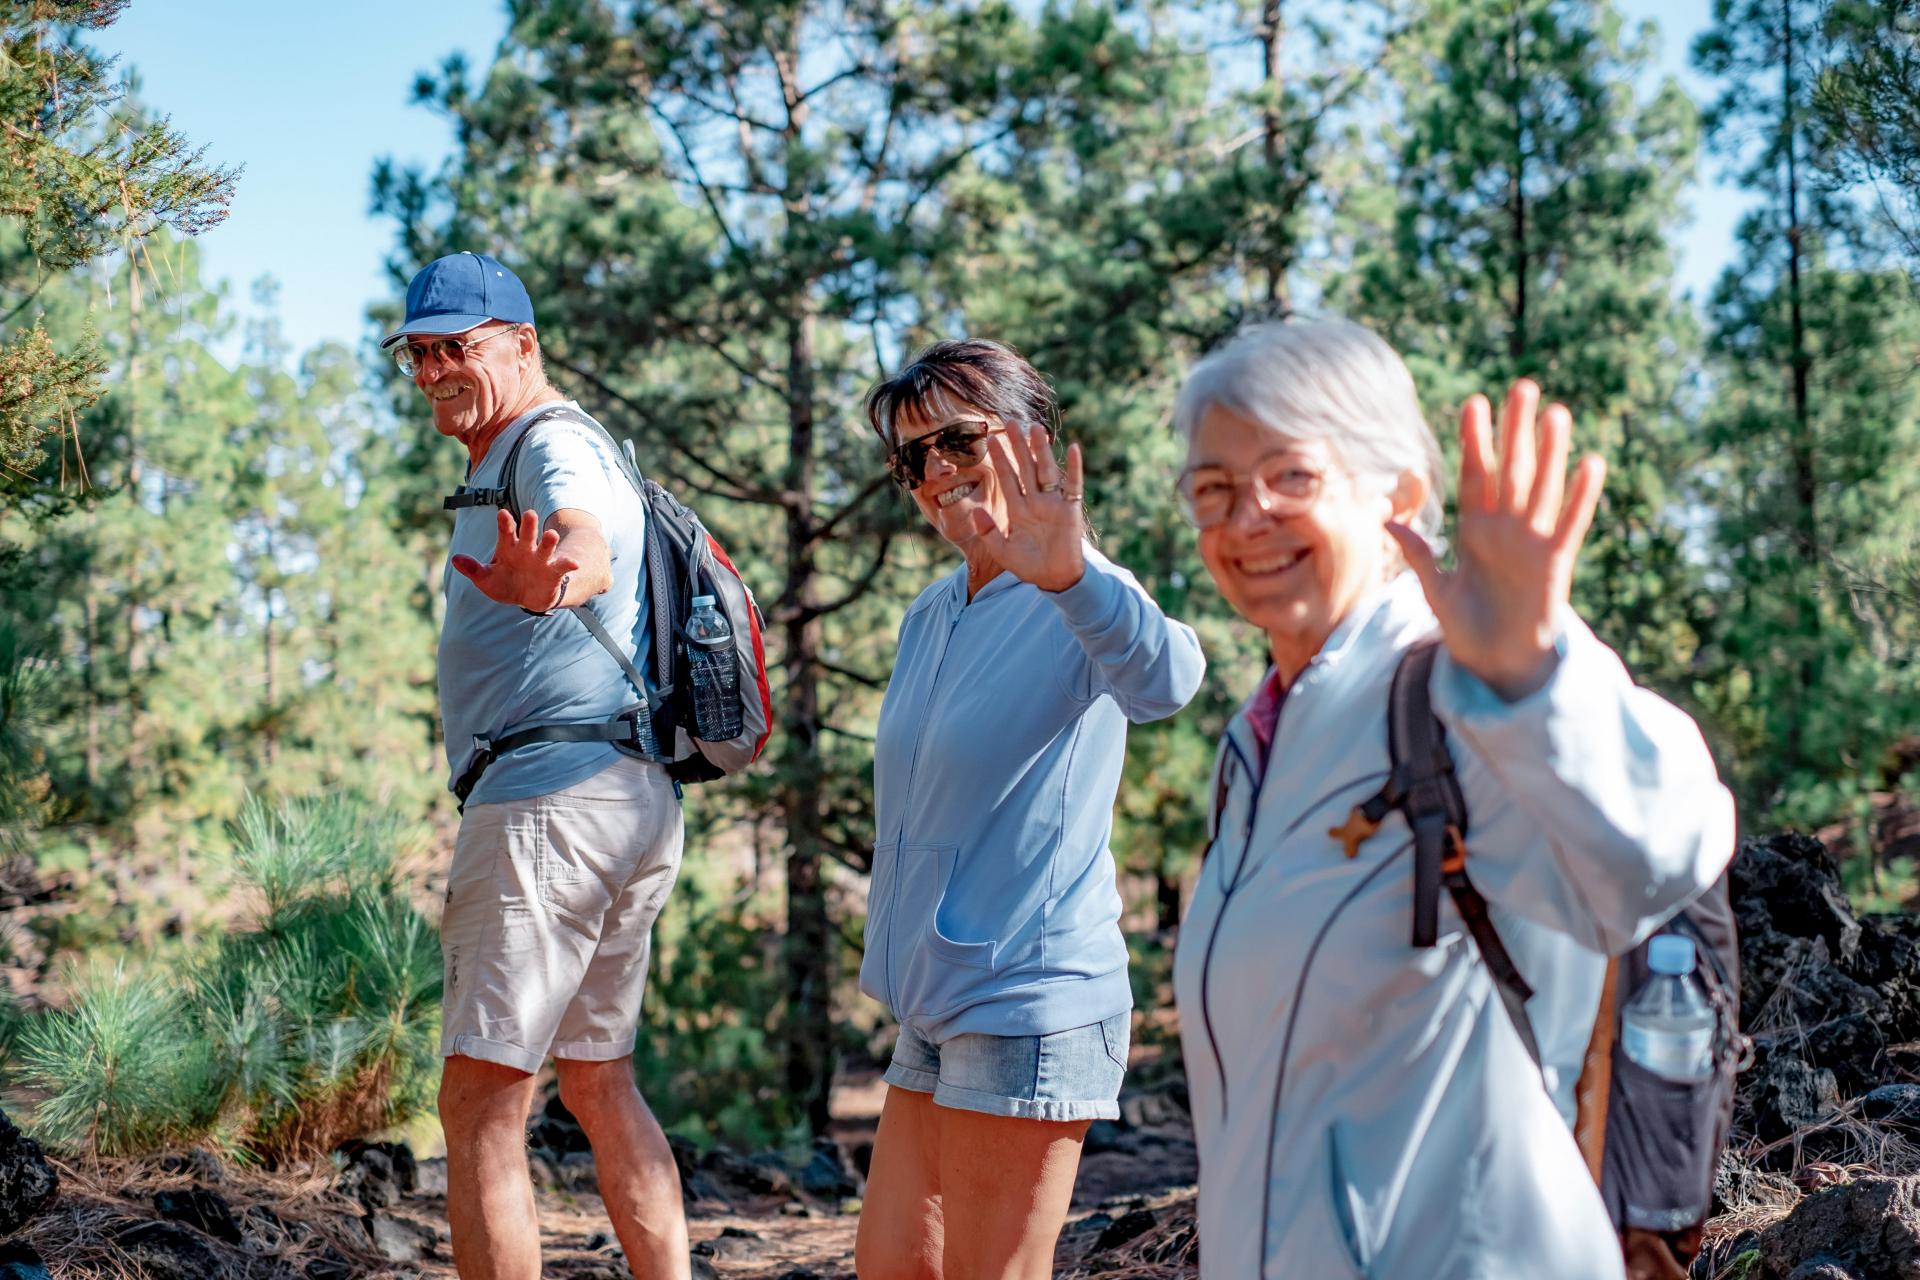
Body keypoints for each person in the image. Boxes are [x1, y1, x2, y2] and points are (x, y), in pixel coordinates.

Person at [1167, 318, 1736, 1279]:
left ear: (1401, 494)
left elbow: (1655, 854)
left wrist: (1532, 677)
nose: (1246, 517)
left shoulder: (1464, 692)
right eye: (1213, 489)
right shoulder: (1251, 745)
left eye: (1290, 476)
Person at [853, 340, 1206, 1279]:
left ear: (1029, 439)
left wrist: (1073, 577)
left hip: (1029, 999)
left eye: (958, 442)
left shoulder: (1078, 587)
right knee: (891, 1267)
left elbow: (1170, 677)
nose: (936, 474)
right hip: (933, 998)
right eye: (912, 457)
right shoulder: (931, 612)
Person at [384, 252, 689, 1280]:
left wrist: (560, 571)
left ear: (522, 343)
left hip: (548, 806)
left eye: (454, 347)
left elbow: (583, 540)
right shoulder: (537, 445)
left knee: (478, 1100)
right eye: (416, 352)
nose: (431, 371)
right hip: (617, 792)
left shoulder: (550, 441)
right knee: (598, 1083)